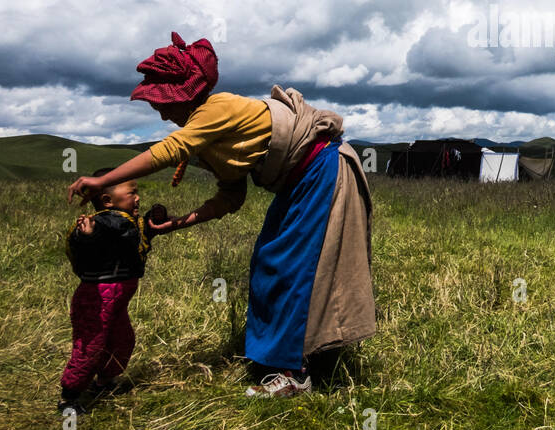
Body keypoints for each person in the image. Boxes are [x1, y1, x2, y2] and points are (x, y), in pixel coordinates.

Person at [66, 32, 375, 398]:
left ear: (183, 95)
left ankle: (292, 373)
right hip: (302, 179)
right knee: (273, 262)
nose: (161, 112)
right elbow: (232, 195)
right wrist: (179, 223)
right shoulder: (209, 139)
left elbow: (172, 148)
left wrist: (103, 180)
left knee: (286, 264)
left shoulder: (216, 109)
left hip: (320, 169)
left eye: (162, 103)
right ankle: (308, 356)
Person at [59, 169, 155, 415]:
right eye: (132, 192)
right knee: (89, 347)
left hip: (116, 303)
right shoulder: (105, 221)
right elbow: (95, 237)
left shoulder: (124, 221)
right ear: (107, 201)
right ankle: (69, 398)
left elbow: (130, 237)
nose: (138, 198)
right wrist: (88, 235)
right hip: (96, 301)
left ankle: (103, 382)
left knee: (122, 342)